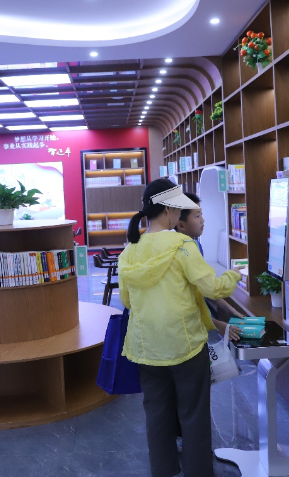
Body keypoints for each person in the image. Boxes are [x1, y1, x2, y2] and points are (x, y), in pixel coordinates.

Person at [119, 179, 242, 477]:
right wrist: (234, 275)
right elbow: (212, 288)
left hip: (146, 348)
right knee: (193, 414)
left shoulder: (130, 251)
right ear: (169, 210)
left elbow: (127, 300)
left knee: (157, 415)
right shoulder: (182, 246)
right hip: (185, 345)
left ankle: (163, 470)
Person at [175, 193, 247, 342]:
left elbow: (202, 287)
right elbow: (207, 290)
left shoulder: (195, 245)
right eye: (197, 216)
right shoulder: (184, 250)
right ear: (181, 225)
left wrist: (229, 309)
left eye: (201, 214)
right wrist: (217, 325)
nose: (203, 220)